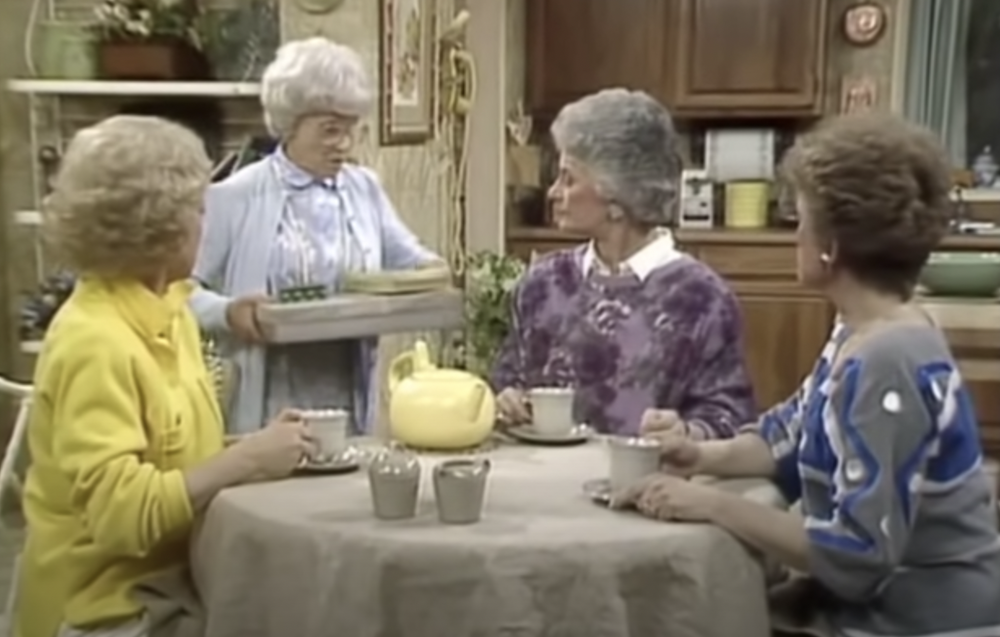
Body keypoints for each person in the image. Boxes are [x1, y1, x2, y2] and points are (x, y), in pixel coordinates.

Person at [622, 114, 1000, 637]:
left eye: (801, 219)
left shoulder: (886, 361)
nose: (794, 234)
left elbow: (857, 554)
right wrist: (700, 454)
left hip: (923, 623)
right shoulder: (862, 327)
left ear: (834, 246)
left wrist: (710, 503)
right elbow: (789, 434)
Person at [13, 116, 315, 637]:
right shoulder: (96, 341)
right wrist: (244, 458)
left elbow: (170, 454)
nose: (205, 224)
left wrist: (262, 449)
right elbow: (121, 517)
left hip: (172, 582)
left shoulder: (170, 310)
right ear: (157, 225)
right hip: (104, 609)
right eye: (198, 209)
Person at [190, 37, 443, 435]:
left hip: (347, 391)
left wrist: (433, 272)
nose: (343, 144)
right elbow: (179, 294)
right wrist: (228, 313)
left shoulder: (365, 189)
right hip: (268, 395)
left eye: (351, 130)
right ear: (291, 124)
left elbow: (411, 258)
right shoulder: (236, 195)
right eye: (329, 130)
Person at [491, 88, 755, 438]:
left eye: (568, 179)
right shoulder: (542, 284)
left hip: (649, 486)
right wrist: (505, 399)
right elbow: (507, 380)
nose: (553, 192)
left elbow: (729, 417)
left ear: (617, 197)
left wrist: (688, 432)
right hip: (543, 482)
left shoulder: (702, 298)